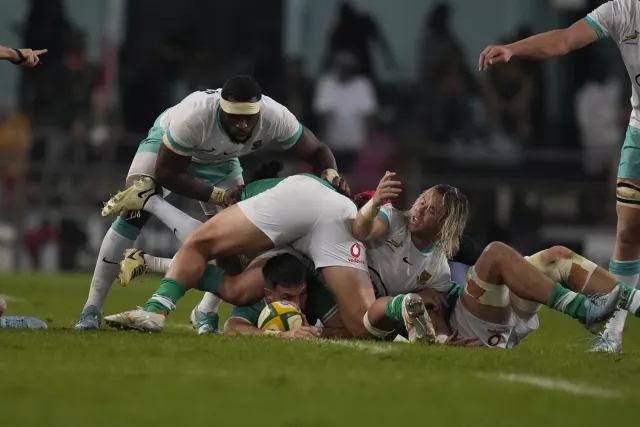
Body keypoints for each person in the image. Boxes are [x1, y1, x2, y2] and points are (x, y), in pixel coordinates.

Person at [75, 75, 349, 331]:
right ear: (221, 109)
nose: (242, 125)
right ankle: (91, 309)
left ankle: (205, 311)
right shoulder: (193, 116)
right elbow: (167, 172)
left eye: (248, 119)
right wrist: (216, 195)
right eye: (235, 118)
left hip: (222, 160)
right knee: (133, 209)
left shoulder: (275, 116)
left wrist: (331, 174)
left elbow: (318, 150)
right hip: (170, 147)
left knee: (233, 244)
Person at [101, 169, 435, 341]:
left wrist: (305, 333)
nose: (289, 305)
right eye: (284, 299)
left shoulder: (260, 200)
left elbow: (212, 253)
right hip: (332, 215)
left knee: (208, 252)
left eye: (290, 299)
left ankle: (156, 309)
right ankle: (398, 305)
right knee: (362, 323)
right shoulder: (254, 195)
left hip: (303, 214)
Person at [478, 0, 640, 352]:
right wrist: (513, 50)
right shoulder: (622, 10)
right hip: (639, 132)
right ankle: (613, 335)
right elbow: (565, 39)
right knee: (627, 231)